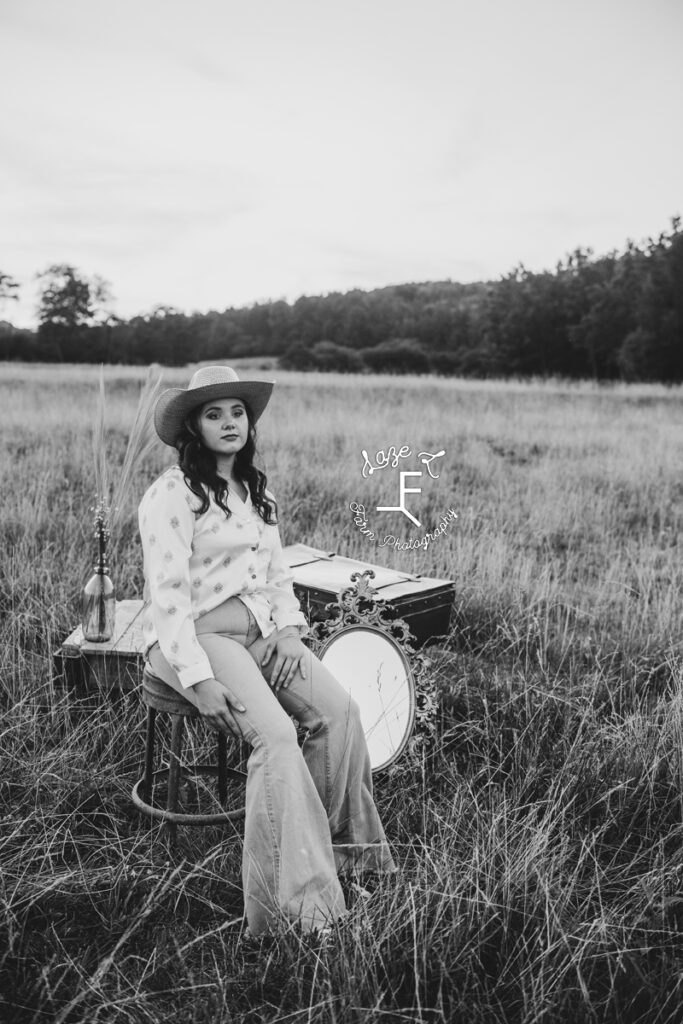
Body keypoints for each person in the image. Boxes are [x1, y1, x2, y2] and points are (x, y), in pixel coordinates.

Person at [138, 365, 396, 937]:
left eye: (237, 412)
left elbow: (277, 576)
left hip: (261, 629)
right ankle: (296, 912)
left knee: (340, 713)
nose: (230, 422)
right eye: (214, 413)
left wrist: (288, 631)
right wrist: (199, 678)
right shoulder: (172, 494)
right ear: (193, 428)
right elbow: (168, 596)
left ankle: (344, 858)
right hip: (196, 638)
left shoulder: (257, 492)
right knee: (276, 738)